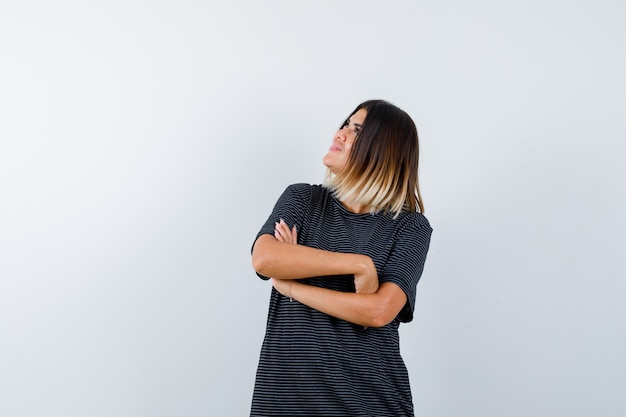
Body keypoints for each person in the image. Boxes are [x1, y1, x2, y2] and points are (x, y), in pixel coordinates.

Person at [250, 99, 432, 417]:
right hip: (283, 404)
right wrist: (358, 264)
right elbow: (264, 259)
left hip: (370, 404)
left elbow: (377, 311)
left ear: (383, 150)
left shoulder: (409, 227)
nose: (340, 133)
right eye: (345, 124)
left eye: (357, 130)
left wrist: (292, 286)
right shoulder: (302, 199)